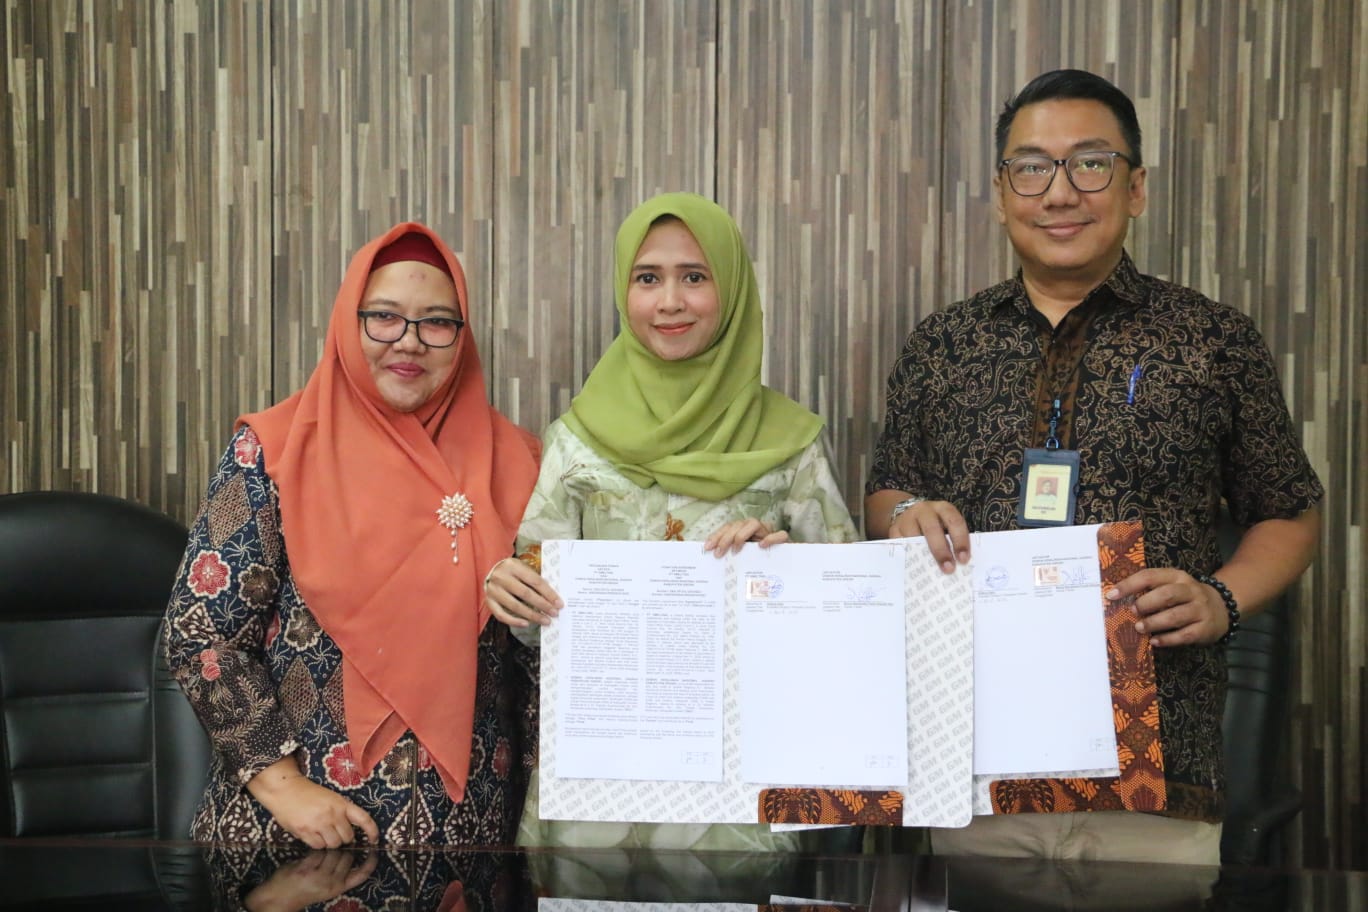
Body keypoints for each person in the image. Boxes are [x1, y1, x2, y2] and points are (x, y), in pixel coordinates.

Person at [866, 70, 1322, 866]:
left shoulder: (1213, 339)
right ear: (1001, 193)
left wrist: (1222, 599)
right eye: (1031, 167)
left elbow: (1289, 508)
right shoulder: (942, 344)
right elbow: (888, 492)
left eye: (1090, 163)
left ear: (1135, 187)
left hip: (1155, 769)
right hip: (970, 764)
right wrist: (906, 513)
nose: (1059, 192)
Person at [483, 192, 859, 854]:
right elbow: (536, 626)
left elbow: (852, 618)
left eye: (695, 276)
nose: (670, 302)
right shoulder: (577, 441)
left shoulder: (791, 443)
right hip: (601, 800)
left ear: (731, 290)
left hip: (746, 800)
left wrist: (784, 570)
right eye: (648, 278)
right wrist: (513, 591)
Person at [164, 223, 542, 848]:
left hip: (470, 838)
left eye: (437, 322)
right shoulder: (274, 451)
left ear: (462, 335)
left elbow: (540, 663)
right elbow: (202, 636)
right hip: (294, 839)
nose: (409, 341)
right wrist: (285, 789)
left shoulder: (519, 461)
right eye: (384, 317)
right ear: (349, 322)